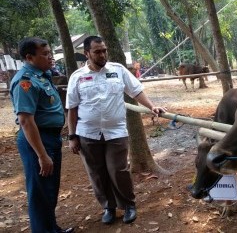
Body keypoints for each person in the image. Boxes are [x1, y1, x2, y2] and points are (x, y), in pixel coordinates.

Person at [65, 36, 166, 225]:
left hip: (116, 132)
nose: (102, 54)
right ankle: (108, 208)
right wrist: (72, 136)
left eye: (104, 50)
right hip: (87, 133)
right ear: (87, 54)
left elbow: (135, 91)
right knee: (96, 173)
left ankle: (128, 205)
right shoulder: (77, 77)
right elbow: (72, 108)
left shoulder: (118, 70)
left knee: (118, 170)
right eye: (97, 51)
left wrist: (152, 106)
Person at [9, 37, 74, 233]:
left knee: (50, 189)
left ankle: (51, 228)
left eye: (49, 53)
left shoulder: (42, 75)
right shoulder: (25, 81)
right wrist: (42, 155)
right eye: (44, 54)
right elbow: (26, 121)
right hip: (37, 141)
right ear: (29, 57)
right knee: (39, 192)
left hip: (51, 138)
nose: (50, 58)